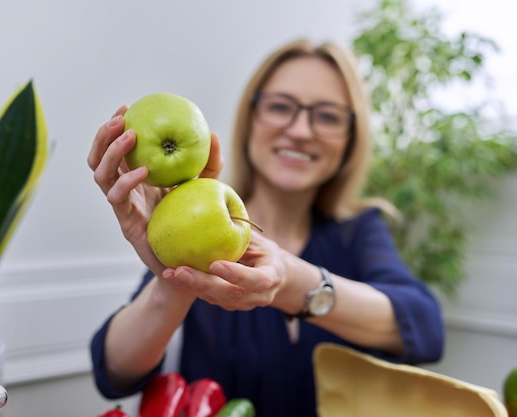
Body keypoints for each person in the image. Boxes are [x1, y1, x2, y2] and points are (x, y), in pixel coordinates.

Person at [87, 38, 444, 417]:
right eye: (280, 107)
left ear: (350, 137)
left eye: (327, 115)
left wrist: (291, 280)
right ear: (250, 118)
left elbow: (424, 328)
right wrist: (175, 273)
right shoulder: (192, 221)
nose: (301, 130)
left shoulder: (358, 231)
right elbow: (115, 372)